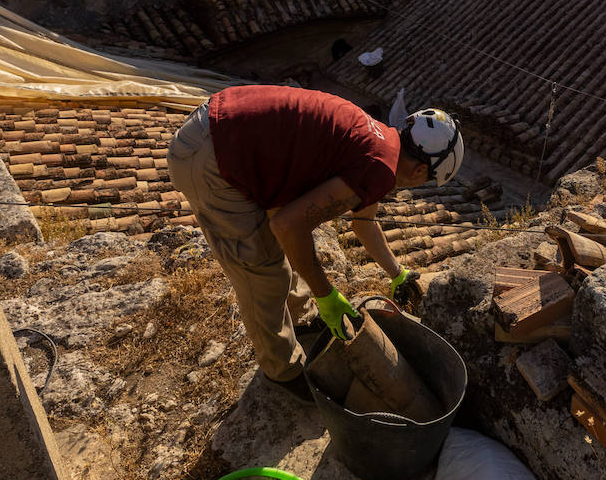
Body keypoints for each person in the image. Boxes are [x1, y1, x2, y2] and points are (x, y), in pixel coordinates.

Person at [166, 85, 464, 402]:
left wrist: (397, 273)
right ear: (420, 170)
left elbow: (364, 222)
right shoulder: (378, 167)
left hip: (220, 127)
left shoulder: (381, 144)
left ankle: (301, 316)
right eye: (427, 180)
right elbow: (288, 225)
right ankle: (284, 371)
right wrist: (326, 294)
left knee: (275, 248)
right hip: (211, 155)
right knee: (262, 272)